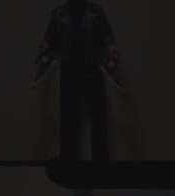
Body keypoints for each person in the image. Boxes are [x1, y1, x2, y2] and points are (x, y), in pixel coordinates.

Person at [34, 0, 121, 160]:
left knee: (99, 119)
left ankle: (101, 165)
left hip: (93, 70)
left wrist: (111, 47)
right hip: (69, 72)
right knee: (68, 119)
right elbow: (50, 38)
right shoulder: (59, 14)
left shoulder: (95, 11)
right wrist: (45, 45)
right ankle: (68, 163)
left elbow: (107, 35)